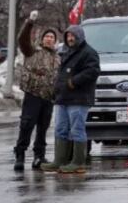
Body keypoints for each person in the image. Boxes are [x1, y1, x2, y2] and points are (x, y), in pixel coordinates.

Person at [41, 25, 100, 174]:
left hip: (79, 99)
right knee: (60, 129)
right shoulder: (65, 52)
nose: (70, 39)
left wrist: (74, 81)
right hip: (62, 98)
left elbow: (93, 71)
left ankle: (78, 163)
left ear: (80, 36)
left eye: (73, 36)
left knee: (77, 130)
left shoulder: (89, 52)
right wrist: (57, 89)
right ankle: (60, 160)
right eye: (68, 36)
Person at [13, 11, 60, 171]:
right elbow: (22, 39)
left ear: (55, 41)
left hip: (48, 98)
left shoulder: (58, 58)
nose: (49, 39)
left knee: (43, 128)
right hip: (33, 94)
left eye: (52, 37)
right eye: (47, 36)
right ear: (42, 39)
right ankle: (20, 155)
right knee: (26, 126)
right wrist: (29, 23)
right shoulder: (32, 51)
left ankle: (39, 156)